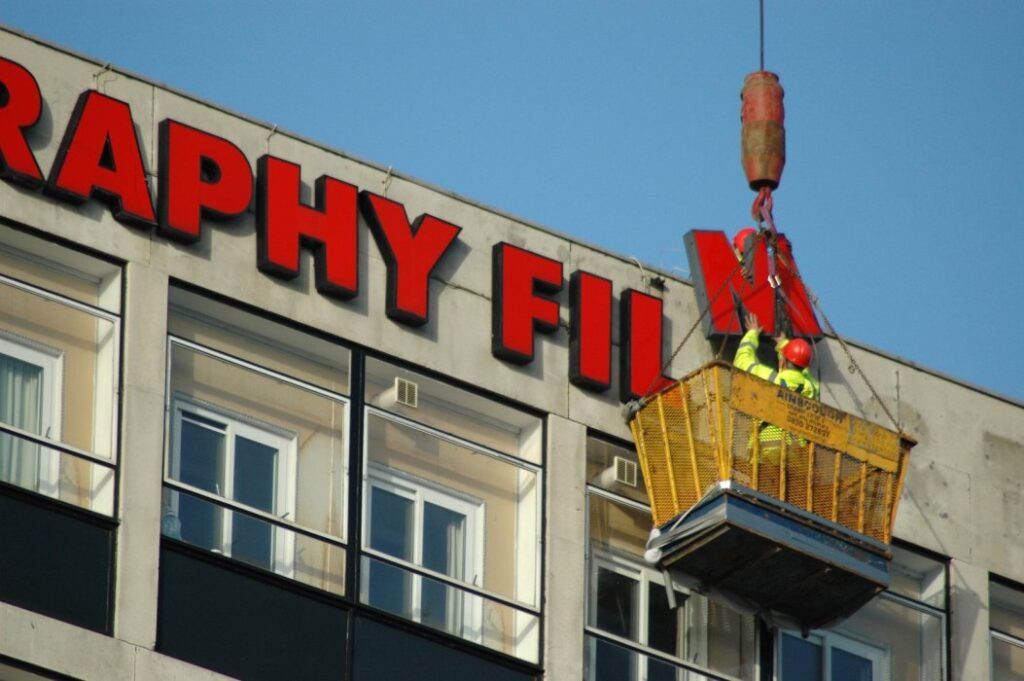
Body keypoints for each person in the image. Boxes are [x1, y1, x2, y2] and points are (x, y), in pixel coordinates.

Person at [734, 312, 818, 399]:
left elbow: (741, 361)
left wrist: (752, 333)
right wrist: (785, 345)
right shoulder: (811, 389)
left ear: (783, 362)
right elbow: (804, 371)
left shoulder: (772, 378)